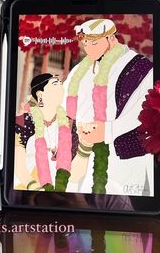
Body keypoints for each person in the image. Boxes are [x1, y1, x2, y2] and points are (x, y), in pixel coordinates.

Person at [63, 18, 153, 196]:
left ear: (111, 38)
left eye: (94, 43)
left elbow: (142, 111)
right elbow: (65, 100)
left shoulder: (141, 68)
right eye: (86, 44)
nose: (89, 49)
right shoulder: (81, 68)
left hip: (122, 159)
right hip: (82, 152)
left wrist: (107, 131)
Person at [14, 74, 73, 191]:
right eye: (55, 84)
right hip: (27, 188)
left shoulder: (69, 123)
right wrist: (35, 187)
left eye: (61, 84)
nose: (61, 88)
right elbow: (18, 165)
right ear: (40, 94)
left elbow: (76, 168)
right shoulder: (22, 120)